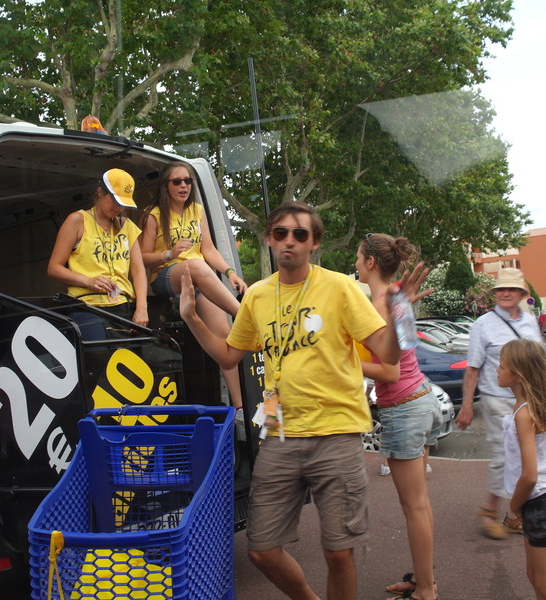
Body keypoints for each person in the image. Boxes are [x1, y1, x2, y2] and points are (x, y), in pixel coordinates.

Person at [177, 202, 429, 600]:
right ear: (269, 239)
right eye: (281, 233)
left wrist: (401, 314)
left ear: (314, 243)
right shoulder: (257, 297)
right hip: (279, 433)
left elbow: (387, 354)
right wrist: (191, 318)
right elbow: (228, 355)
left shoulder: (342, 288)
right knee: (261, 550)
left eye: (300, 234)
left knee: (339, 553)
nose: (289, 241)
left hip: (337, 432)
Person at [354, 233, 438, 600]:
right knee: (420, 503)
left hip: (404, 407)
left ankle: (426, 590)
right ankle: (423, 579)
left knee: (414, 506)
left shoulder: (380, 304)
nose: (355, 264)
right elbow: (406, 349)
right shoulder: (394, 296)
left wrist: (343, 362)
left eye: (358, 258)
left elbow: (389, 371)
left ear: (370, 262)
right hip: (420, 399)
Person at [139, 161, 248, 410]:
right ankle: (247, 314)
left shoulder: (196, 210)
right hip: (166, 277)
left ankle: (240, 408)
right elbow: (142, 257)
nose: (184, 186)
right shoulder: (153, 214)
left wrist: (229, 272)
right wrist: (170, 254)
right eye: (177, 181)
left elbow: (208, 249)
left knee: (225, 337)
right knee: (197, 267)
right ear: (166, 185)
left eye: (188, 181)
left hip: (198, 278)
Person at [454, 267, 543, 540]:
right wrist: (466, 407)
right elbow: (472, 369)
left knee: (530, 457)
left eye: (511, 289)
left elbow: (538, 362)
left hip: (528, 400)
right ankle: (489, 511)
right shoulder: (483, 324)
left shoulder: (530, 322)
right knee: (505, 457)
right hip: (497, 400)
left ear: (521, 294)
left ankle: (515, 515)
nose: (505, 293)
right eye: (501, 289)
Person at [499, 339, 546, 599]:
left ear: (518, 374)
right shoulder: (524, 406)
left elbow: (530, 475)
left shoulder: (524, 414)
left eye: (502, 366)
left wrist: (514, 506)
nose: (497, 369)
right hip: (539, 501)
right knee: (535, 577)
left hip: (543, 501)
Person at [47, 168, 148, 335]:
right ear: (100, 192)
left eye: (123, 204)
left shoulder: (127, 225)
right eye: (114, 200)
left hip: (124, 306)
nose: (118, 208)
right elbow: (54, 268)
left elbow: (138, 270)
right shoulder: (78, 220)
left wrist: (142, 308)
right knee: (97, 351)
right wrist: (88, 281)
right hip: (88, 306)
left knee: (126, 353)